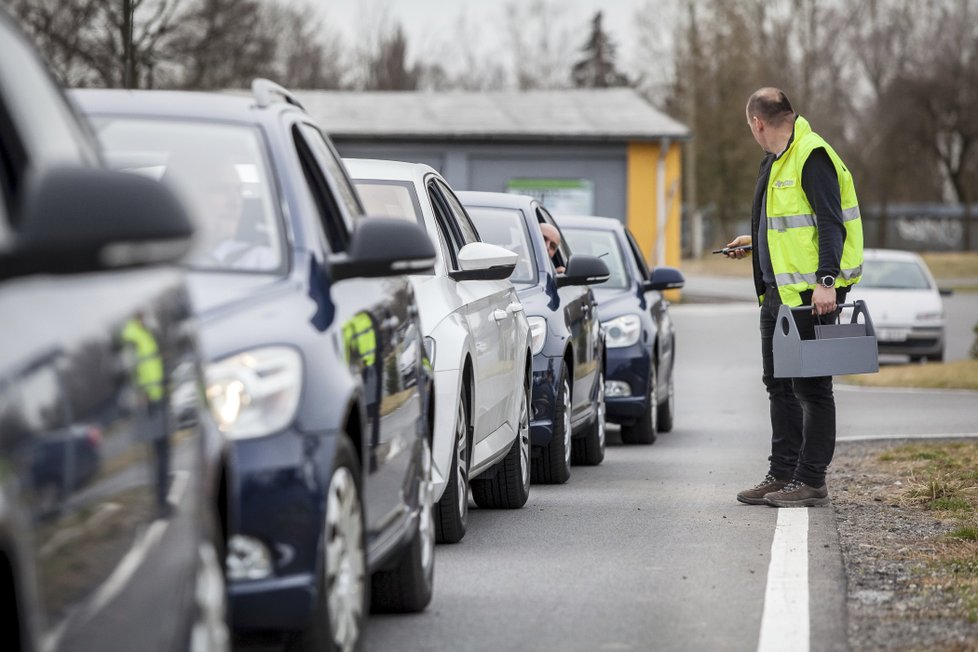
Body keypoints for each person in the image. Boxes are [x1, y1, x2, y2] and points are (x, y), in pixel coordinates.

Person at [728, 87, 864, 508]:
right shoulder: (778, 160)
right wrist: (756, 241)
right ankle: (782, 473)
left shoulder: (812, 155)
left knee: (812, 390)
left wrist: (827, 281)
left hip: (809, 296)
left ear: (757, 123)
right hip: (776, 294)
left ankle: (811, 481)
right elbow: (794, 225)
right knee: (779, 387)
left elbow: (830, 224)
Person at [163, 151, 276, 270]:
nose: (235, 203)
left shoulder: (261, 261)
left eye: (239, 190)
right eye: (221, 190)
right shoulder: (159, 259)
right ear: (192, 197)